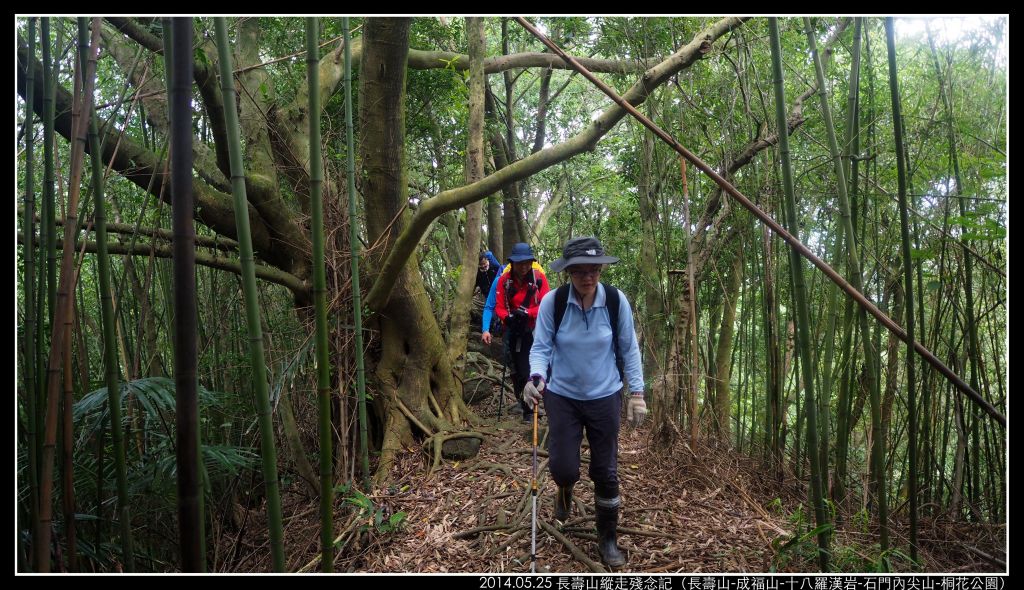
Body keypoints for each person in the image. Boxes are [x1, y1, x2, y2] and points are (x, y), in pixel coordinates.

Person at [523, 236, 646, 569]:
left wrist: (637, 393)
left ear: (600, 269)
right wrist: (535, 377)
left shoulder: (617, 302)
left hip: (605, 395)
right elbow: (541, 347)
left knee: (605, 472)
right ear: (568, 273)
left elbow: (629, 350)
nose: (588, 277)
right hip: (562, 395)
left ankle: (607, 538)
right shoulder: (554, 302)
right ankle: (564, 490)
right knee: (564, 467)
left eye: (594, 270)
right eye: (579, 271)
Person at [494, 243, 550, 422]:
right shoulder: (505, 281)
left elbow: (546, 305)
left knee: (537, 366)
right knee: (518, 368)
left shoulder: (539, 278)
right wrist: (507, 318)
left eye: (527, 262)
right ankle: (527, 408)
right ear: (512, 263)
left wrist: (528, 313)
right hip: (514, 329)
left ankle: (545, 406)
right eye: (520, 263)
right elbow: (500, 306)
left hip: (535, 328)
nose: (524, 266)